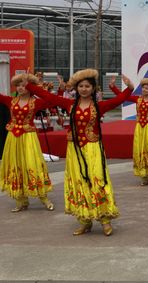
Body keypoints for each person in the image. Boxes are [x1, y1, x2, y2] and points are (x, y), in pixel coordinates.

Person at [26, 69, 133, 236]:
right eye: (81, 86)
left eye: (87, 86)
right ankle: (85, 220)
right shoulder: (69, 104)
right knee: (78, 182)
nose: (84, 89)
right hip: (75, 150)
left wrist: (130, 87)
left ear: (93, 88)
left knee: (97, 180)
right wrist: (28, 84)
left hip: (93, 149)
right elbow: (48, 96)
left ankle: (105, 220)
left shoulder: (99, 106)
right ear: (76, 88)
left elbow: (119, 99)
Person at [0, 73, 54, 212]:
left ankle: (44, 198)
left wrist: (36, 87)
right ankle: (21, 200)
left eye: (23, 85)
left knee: (32, 165)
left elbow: (50, 100)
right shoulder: (11, 101)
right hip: (13, 138)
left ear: (30, 87)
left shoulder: (35, 102)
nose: (20, 88)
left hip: (29, 138)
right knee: (15, 165)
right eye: (18, 85)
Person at [109, 77, 148, 186]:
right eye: (143, 87)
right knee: (141, 150)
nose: (144, 90)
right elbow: (122, 96)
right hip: (140, 128)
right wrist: (112, 87)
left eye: (146, 88)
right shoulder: (137, 99)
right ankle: (144, 176)